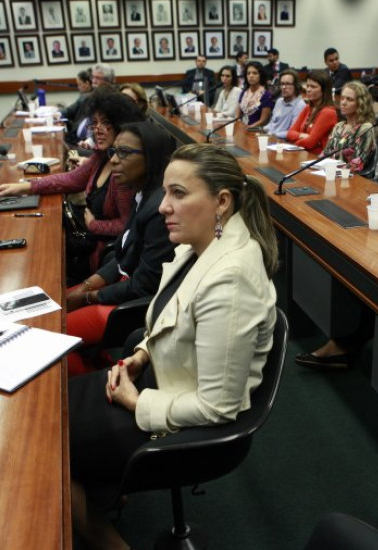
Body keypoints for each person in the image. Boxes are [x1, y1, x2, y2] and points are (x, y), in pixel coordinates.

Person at [68, 143, 278, 550]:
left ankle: (100, 534)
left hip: (183, 420)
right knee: (52, 409)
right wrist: (142, 354)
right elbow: (169, 314)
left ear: (221, 201)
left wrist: (135, 402)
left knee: (49, 443)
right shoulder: (200, 246)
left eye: (179, 194)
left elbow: (219, 407)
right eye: (165, 192)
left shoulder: (231, 277)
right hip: (157, 379)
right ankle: (99, 493)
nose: (163, 206)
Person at [63, 122, 179, 373]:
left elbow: (143, 286)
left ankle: (92, 389)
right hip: (121, 290)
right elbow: (124, 254)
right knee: (54, 305)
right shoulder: (141, 195)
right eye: (113, 152)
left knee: (53, 337)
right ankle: (101, 365)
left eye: (124, 153)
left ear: (151, 158)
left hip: (132, 307)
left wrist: (88, 295)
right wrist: (88, 284)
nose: (114, 160)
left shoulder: (160, 209)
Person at [0, 89, 145, 281]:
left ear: (121, 126)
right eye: (95, 123)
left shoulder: (122, 171)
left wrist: (94, 225)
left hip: (102, 255)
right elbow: (71, 179)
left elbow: (128, 226)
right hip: (87, 239)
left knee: (41, 259)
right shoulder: (102, 156)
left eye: (106, 123)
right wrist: (25, 187)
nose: (97, 129)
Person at [323, 81, 376, 173]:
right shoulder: (339, 126)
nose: (343, 102)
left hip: (352, 179)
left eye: (349, 99)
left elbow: (357, 165)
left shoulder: (365, 128)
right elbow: (326, 153)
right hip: (331, 173)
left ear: (361, 103)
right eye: (342, 98)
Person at [286, 70, 337, 154]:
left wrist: (293, 144)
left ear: (324, 90)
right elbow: (290, 133)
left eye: (313, 87)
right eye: (307, 86)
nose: (308, 89)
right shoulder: (308, 108)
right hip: (301, 153)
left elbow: (310, 142)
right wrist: (301, 135)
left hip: (316, 158)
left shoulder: (328, 112)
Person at [263, 69, 305, 139]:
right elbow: (272, 124)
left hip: (284, 143)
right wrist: (262, 129)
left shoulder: (300, 105)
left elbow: (292, 132)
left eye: (288, 84)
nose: (284, 87)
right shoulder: (279, 101)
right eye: (282, 84)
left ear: (296, 86)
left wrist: (272, 134)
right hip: (271, 138)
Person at [235, 61, 274, 129]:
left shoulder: (266, 95)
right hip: (241, 128)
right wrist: (239, 125)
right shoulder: (244, 92)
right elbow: (237, 114)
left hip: (256, 131)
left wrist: (249, 127)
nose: (251, 76)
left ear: (260, 75)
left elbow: (263, 120)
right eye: (248, 73)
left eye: (255, 73)